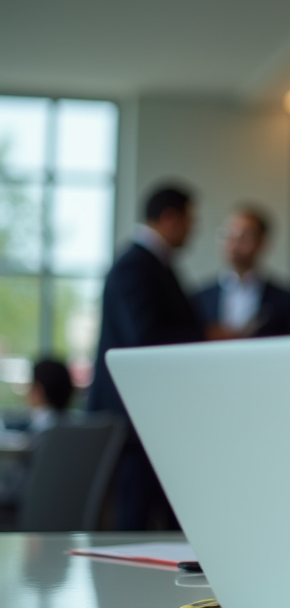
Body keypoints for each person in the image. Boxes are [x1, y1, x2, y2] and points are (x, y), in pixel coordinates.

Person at [88, 183, 204, 530]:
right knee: (133, 517)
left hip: (147, 417)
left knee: (150, 515)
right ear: (170, 218)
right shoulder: (136, 265)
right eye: (189, 220)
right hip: (131, 419)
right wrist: (205, 335)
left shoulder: (153, 264)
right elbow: (144, 337)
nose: (192, 230)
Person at [193, 206, 290, 339]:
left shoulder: (285, 300)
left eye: (244, 236)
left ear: (262, 242)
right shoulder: (199, 298)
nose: (233, 243)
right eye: (227, 235)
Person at [0, 359, 74, 505]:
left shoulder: (43, 433)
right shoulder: (82, 431)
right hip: (66, 511)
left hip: (21, 508)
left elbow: (15, 486)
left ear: (38, 390)